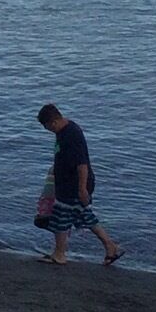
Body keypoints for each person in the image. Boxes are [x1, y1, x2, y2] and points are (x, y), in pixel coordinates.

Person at [34, 103, 124, 265]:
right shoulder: (62, 132)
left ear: (53, 122)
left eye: (46, 126)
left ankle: (60, 254)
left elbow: (82, 164)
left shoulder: (72, 134)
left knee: (61, 216)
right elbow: (63, 156)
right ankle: (110, 246)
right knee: (83, 216)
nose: (47, 130)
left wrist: (82, 189)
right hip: (65, 183)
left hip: (75, 185)